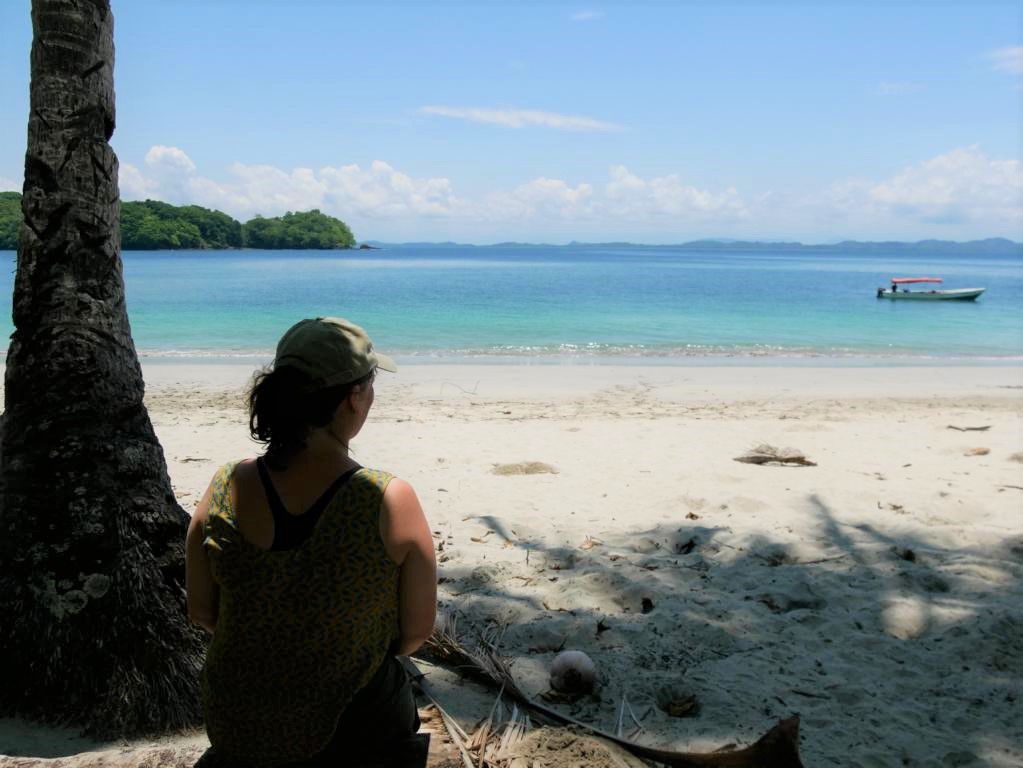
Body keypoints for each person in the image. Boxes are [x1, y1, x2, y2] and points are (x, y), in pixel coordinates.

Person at [186, 317, 438, 768]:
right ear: (353, 397)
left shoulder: (225, 486)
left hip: (239, 718)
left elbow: (202, 611)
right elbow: (414, 633)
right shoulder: (387, 498)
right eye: (370, 384)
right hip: (352, 726)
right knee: (385, 682)